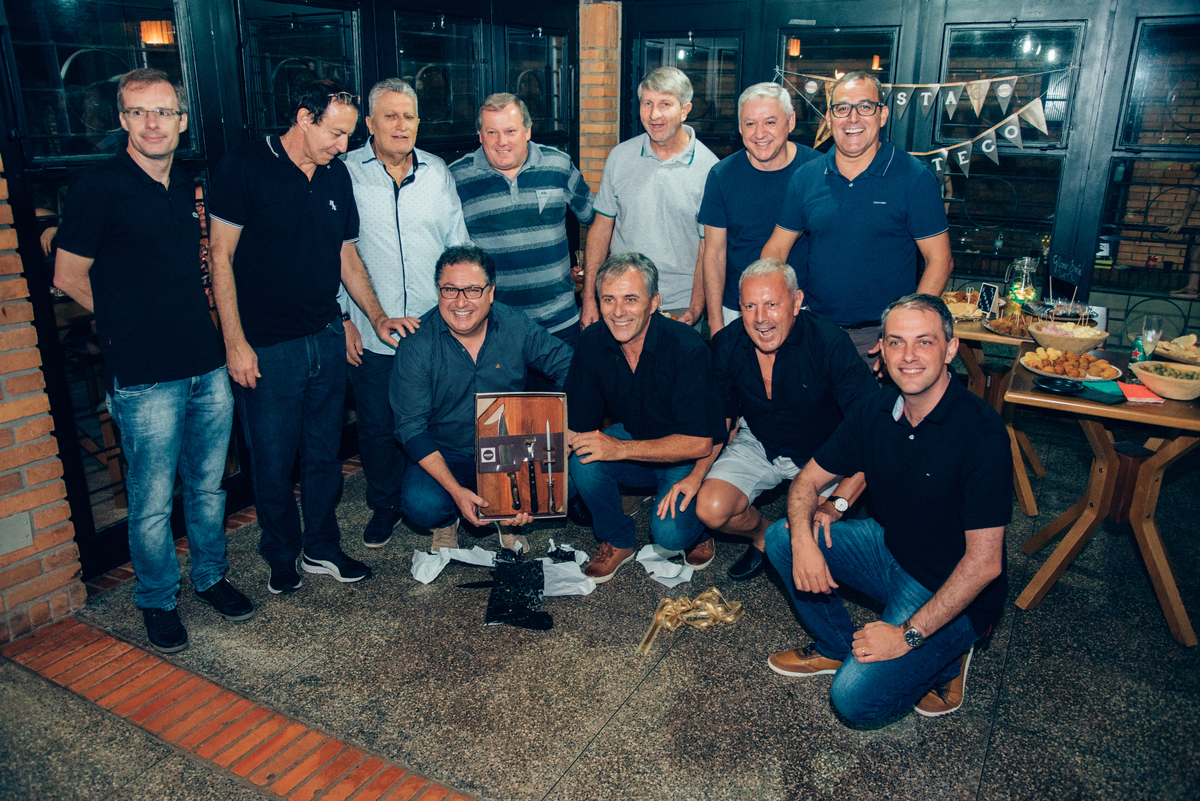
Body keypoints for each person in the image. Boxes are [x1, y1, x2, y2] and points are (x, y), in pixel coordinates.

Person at [53, 68, 252, 653]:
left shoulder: (185, 183)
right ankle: (158, 599)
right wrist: (124, 322)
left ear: (181, 121)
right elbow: (67, 275)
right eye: (139, 112)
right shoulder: (99, 186)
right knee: (151, 502)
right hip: (144, 378)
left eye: (163, 111)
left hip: (205, 366)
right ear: (123, 120)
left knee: (209, 488)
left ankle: (211, 577)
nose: (152, 123)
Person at [763, 294, 1010, 723]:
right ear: (881, 349)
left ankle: (950, 656)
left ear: (950, 349)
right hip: (889, 548)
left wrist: (906, 636)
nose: (908, 356)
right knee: (781, 536)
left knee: (854, 701)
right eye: (896, 342)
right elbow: (806, 482)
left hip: (950, 585)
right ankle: (836, 646)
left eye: (924, 342)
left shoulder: (981, 433)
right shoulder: (875, 409)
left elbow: (984, 565)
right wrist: (804, 542)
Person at [208, 80, 402, 593]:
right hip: (268, 346)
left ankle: (321, 547)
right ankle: (280, 553)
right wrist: (234, 342)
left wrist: (376, 317)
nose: (343, 146)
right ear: (303, 118)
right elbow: (220, 256)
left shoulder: (336, 175)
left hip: (325, 336)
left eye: (348, 135)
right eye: (335, 134)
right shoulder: (244, 166)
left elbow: (346, 255)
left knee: (324, 457)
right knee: (273, 461)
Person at [681, 259, 876, 582]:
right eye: (750, 306)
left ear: (797, 302)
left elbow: (871, 430)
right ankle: (764, 536)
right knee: (710, 509)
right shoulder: (727, 344)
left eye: (772, 304)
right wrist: (697, 474)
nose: (760, 318)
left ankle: (793, 540)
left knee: (815, 535)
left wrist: (837, 503)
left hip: (824, 455)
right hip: (761, 441)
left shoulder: (828, 342)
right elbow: (723, 417)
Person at [341, 78, 471, 549]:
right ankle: (385, 506)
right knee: (378, 427)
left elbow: (458, 244)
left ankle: (438, 505)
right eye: (390, 116)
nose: (401, 125)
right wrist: (343, 318)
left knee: (435, 424)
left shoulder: (437, 172)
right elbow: (333, 253)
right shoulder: (344, 173)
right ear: (370, 123)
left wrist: (466, 312)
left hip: (436, 331)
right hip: (372, 332)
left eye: (409, 116)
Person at [762, 71, 953, 363]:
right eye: (842, 108)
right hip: (816, 331)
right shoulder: (806, 177)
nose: (853, 118)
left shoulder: (914, 177)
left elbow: (940, 260)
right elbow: (776, 249)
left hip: (881, 337)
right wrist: (774, 307)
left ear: (883, 115)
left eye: (865, 107)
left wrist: (904, 332)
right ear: (829, 118)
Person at [392, 246, 573, 551]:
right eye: (450, 289)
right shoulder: (417, 344)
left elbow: (567, 364)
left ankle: (506, 517)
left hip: (509, 448)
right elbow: (410, 427)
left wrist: (554, 428)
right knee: (422, 505)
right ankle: (447, 519)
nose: (461, 301)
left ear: (491, 292)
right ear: (438, 291)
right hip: (447, 450)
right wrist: (455, 490)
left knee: (572, 484)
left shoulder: (516, 324)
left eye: (473, 290)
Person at [566, 253, 727, 584]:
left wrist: (619, 449)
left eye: (631, 299)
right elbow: (576, 425)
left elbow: (700, 442)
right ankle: (618, 539)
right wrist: (535, 485)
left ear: (654, 302)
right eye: (608, 299)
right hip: (635, 437)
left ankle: (699, 531)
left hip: (684, 452)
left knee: (670, 535)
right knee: (581, 460)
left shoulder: (686, 347)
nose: (618, 311)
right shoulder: (592, 342)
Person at [450, 93, 594, 346]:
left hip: (560, 323)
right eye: (492, 132)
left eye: (510, 131)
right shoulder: (457, 177)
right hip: (493, 328)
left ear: (527, 131)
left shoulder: (558, 165)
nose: (501, 142)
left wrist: (592, 270)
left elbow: (596, 216)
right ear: (480, 135)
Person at [581, 68, 719, 327]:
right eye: (647, 103)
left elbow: (708, 248)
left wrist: (696, 307)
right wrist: (590, 298)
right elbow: (600, 229)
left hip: (678, 305)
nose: (654, 114)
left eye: (665, 104)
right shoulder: (620, 157)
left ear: (685, 110)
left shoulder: (710, 169)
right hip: (620, 301)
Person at [699, 83, 819, 335]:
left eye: (770, 122)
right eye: (750, 123)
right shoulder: (722, 175)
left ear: (791, 122)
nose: (759, 133)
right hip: (736, 308)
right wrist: (716, 322)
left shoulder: (815, 170)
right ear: (740, 127)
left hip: (802, 308)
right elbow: (714, 254)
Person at [1165, 163, 1199, 299]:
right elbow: (1190, 204)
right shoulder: (1197, 181)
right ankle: (1192, 288)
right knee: (1196, 253)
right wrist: (1181, 223)